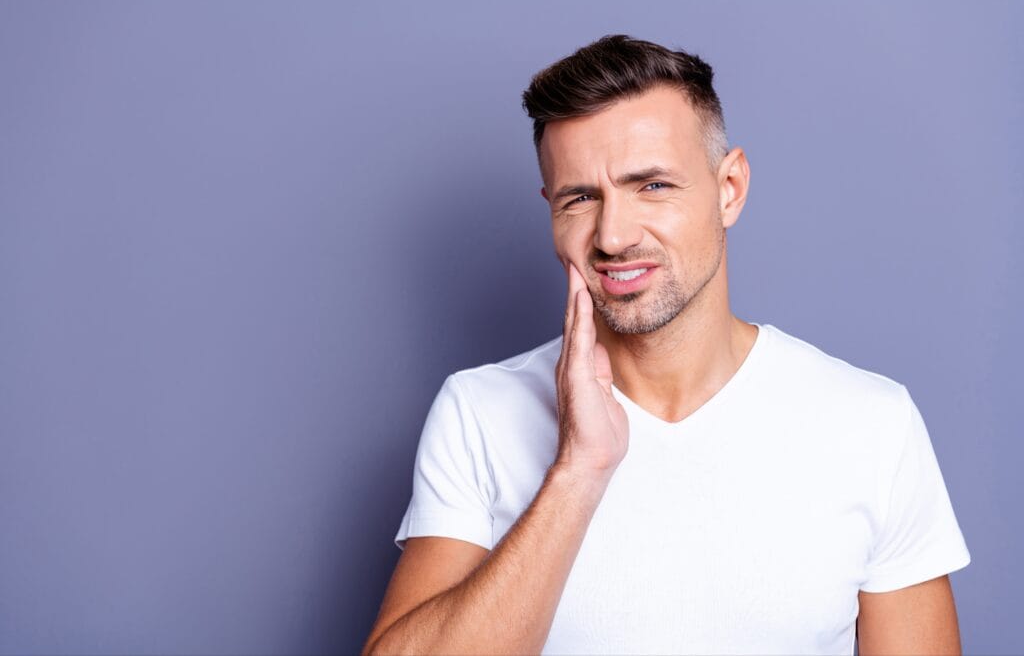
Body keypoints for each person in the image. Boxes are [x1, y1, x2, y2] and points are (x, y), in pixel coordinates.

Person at [361, 35, 970, 655]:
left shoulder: (871, 423)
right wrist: (579, 470)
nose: (615, 236)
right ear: (551, 210)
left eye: (651, 186)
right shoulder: (479, 412)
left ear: (729, 188)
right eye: (580, 198)